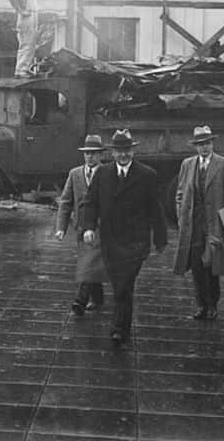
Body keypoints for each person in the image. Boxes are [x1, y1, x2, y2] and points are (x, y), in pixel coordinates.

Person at [81, 129, 167, 347]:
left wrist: (160, 238)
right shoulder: (102, 174)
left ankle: (120, 329)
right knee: (120, 284)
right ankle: (120, 327)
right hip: (110, 241)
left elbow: (155, 209)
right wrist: (88, 227)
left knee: (124, 285)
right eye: (119, 151)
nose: (123, 155)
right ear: (113, 152)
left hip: (135, 243)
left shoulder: (147, 175)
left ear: (133, 150)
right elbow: (90, 203)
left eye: (126, 150)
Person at [172, 125, 224, 321]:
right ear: (195, 146)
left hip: (215, 223)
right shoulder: (187, 164)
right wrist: (181, 216)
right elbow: (179, 193)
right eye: (200, 144)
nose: (204, 147)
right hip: (193, 224)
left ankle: (212, 304)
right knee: (195, 265)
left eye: (207, 143)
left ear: (212, 143)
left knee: (211, 263)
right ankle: (201, 304)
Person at [55, 134, 106, 315]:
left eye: (93, 153)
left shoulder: (107, 173)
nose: (90, 157)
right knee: (90, 262)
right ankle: (98, 298)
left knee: (89, 262)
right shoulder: (75, 174)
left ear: (101, 155)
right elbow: (66, 202)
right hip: (80, 227)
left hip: (100, 227)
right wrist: (61, 228)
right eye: (87, 153)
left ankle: (80, 301)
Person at [8, 0, 39, 78]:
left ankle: (25, 69)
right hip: (26, 18)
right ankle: (20, 70)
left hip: (33, 17)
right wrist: (21, 11)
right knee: (26, 43)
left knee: (31, 44)